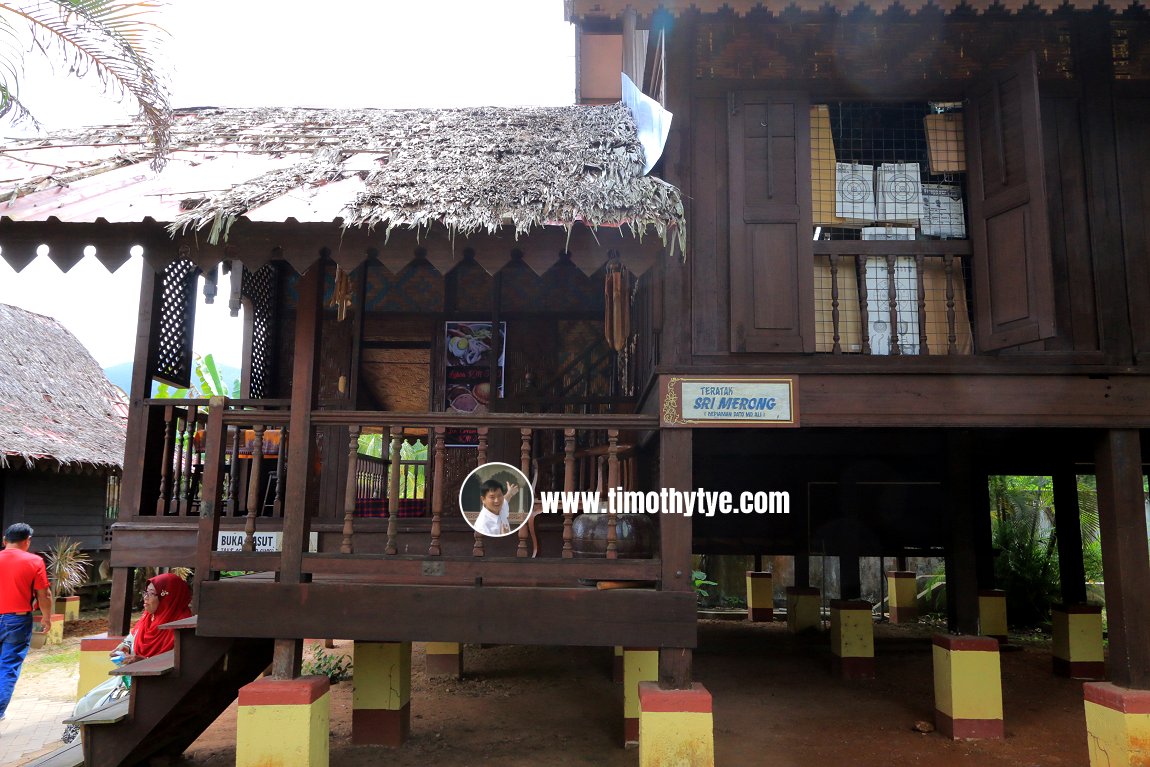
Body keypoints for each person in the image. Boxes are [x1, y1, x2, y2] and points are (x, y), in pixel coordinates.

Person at [62, 573, 191, 741]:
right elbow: (131, 639)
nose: (145, 598)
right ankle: (76, 750)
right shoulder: (148, 618)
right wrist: (123, 648)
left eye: (152, 594)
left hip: (154, 688)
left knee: (100, 711)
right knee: (85, 704)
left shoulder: (182, 627)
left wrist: (144, 663)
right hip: (129, 681)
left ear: (168, 596)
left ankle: (89, 753)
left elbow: (178, 664)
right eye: (146, 593)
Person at [0, 523, 52, 721]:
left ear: (5, 541)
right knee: (8, 666)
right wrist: (46, 617)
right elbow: (44, 594)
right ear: (27, 542)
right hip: (17, 619)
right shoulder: (34, 561)